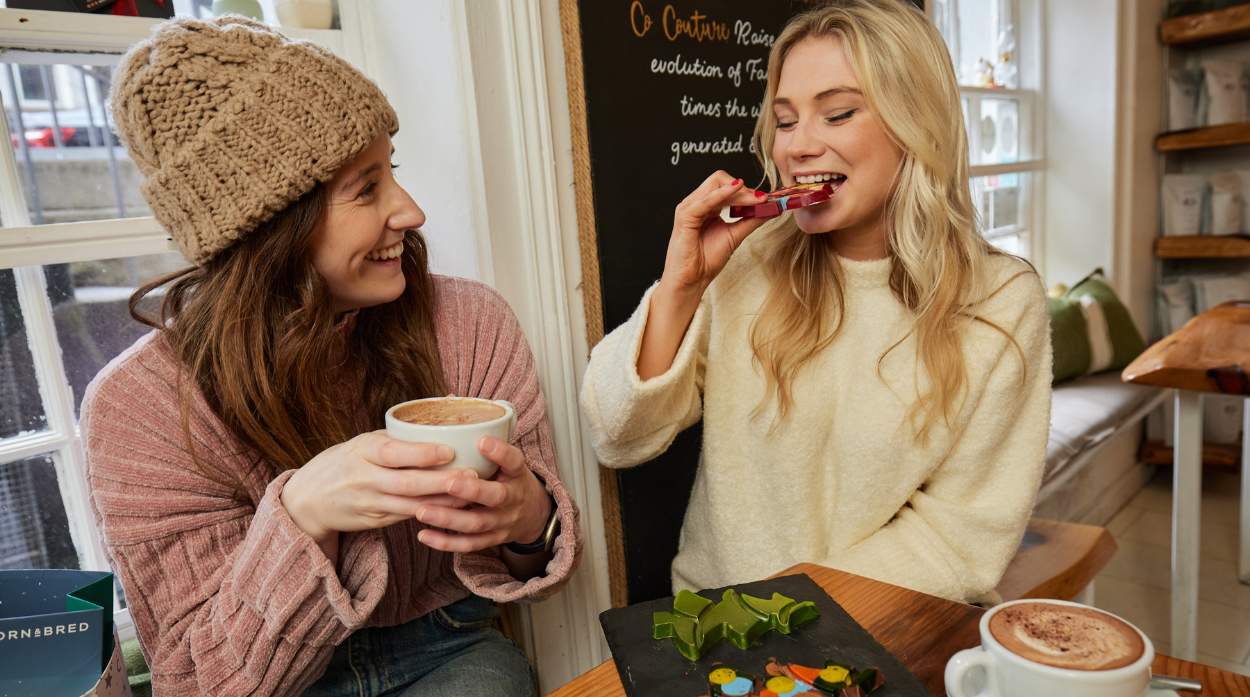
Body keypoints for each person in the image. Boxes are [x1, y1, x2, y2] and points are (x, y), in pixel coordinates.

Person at [81, 16, 580, 696]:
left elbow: (539, 555)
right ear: (269, 229)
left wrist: (528, 518)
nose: (410, 211)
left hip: (445, 650)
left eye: (391, 171)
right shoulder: (139, 409)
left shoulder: (467, 322)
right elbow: (197, 682)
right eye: (365, 188)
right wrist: (303, 513)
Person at [580, 0, 1050, 605]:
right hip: (721, 628)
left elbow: (961, 538)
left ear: (917, 121)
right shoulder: (748, 261)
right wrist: (681, 287)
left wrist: (790, 612)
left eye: (838, 114)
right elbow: (617, 435)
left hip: (886, 635)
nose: (797, 147)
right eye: (784, 120)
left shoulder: (1000, 301)